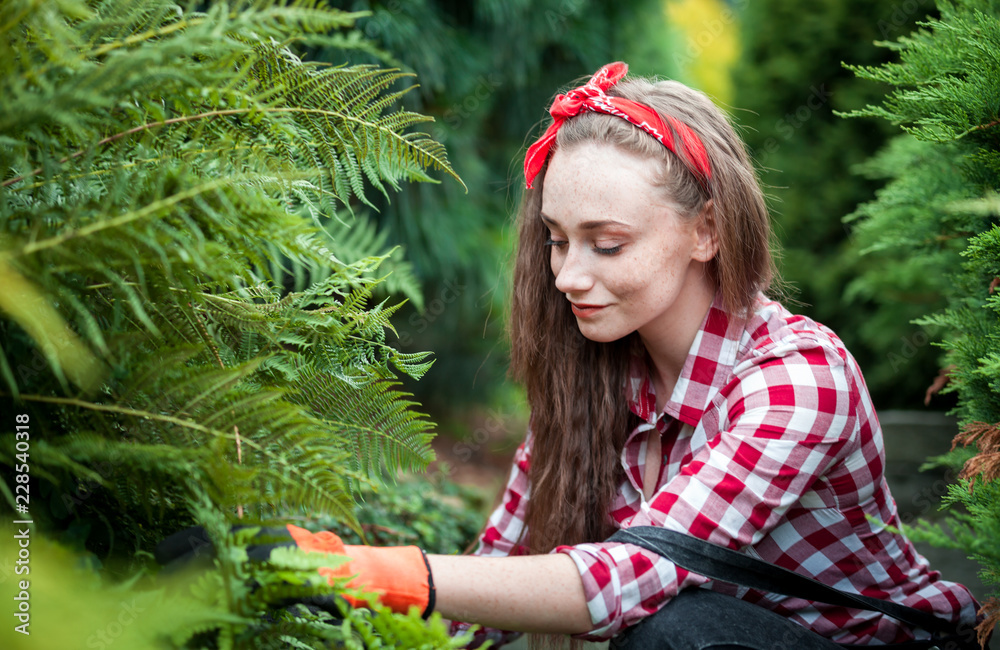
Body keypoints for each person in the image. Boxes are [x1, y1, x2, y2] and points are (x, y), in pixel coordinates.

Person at [224, 62, 983, 648]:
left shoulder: (794, 379)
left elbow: (637, 574)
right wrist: (289, 600)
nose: (566, 276)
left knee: (672, 628)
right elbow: (486, 590)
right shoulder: (598, 382)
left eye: (606, 243)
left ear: (706, 233)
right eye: (555, 240)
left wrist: (371, 570)